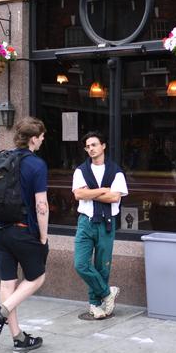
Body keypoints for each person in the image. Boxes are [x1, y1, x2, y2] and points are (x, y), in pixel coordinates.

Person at [0, 117, 49, 353]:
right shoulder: (36, 165)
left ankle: (18, 338)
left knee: (8, 283)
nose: (42, 141)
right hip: (24, 230)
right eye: (41, 137)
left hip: (0, 230)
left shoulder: (1, 159)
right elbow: (41, 205)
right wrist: (43, 236)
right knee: (37, 277)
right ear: (33, 138)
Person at [73, 131, 128, 319]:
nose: (91, 149)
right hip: (85, 222)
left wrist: (92, 192)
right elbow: (78, 195)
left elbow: (115, 197)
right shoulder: (81, 170)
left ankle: (95, 305)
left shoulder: (116, 171)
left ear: (103, 146)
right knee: (80, 264)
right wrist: (104, 190)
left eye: (94, 145)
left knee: (102, 266)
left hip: (106, 223)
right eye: (88, 146)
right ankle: (107, 293)